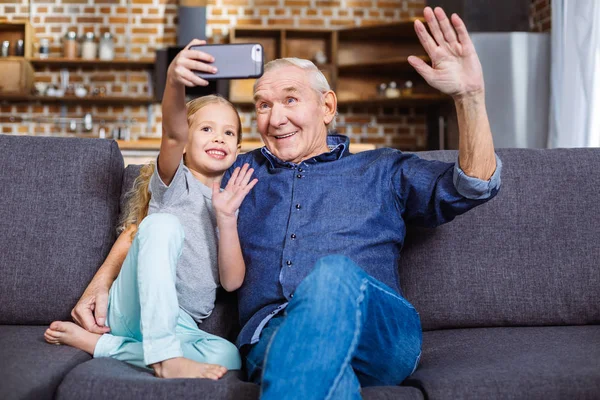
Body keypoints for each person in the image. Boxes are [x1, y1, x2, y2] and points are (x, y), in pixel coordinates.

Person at [71, 6, 502, 397]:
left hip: (377, 330)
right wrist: (102, 281)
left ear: (327, 106)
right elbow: (159, 217)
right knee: (317, 373)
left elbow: (473, 185)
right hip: (272, 335)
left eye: (290, 100)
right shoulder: (236, 174)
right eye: (262, 105)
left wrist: (469, 97)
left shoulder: (381, 168)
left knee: (331, 275)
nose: (275, 119)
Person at [44, 40, 258, 380]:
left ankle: (104, 347)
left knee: (229, 355)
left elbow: (232, 284)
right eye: (206, 129)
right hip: (134, 307)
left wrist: (227, 219)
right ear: (186, 141)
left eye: (228, 132)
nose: (219, 138)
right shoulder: (176, 183)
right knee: (161, 225)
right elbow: (171, 134)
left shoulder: (233, 200)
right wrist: (174, 81)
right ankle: (164, 358)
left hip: (181, 323)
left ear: (239, 148)